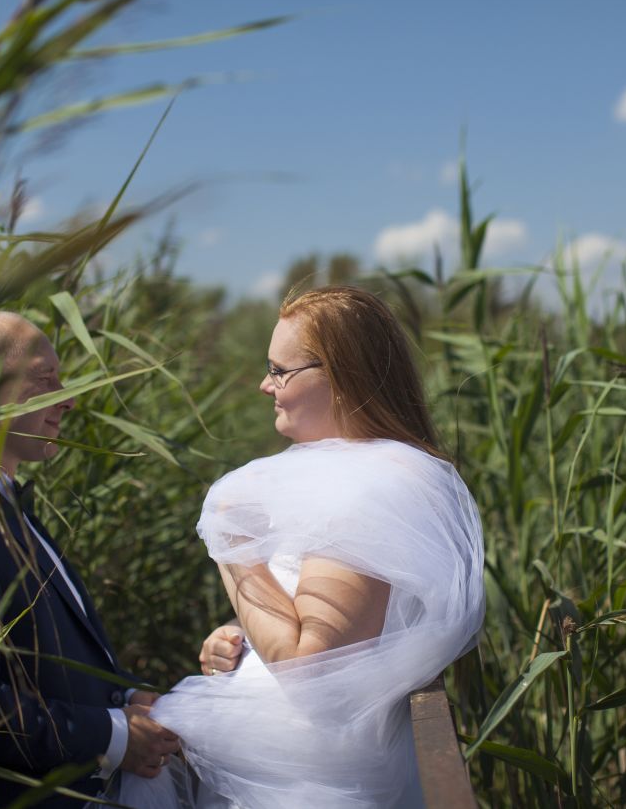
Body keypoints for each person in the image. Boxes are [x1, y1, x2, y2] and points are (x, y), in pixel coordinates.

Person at [145, 286, 485, 808]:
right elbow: (352, 624)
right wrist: (243, 633)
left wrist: (234, 548)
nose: (265, 385)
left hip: (301, 785)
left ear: (339, 375)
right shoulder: (358, 472)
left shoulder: (368, 487)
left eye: (280, 370)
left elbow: (312, 673)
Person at [0, 310, 182, 807]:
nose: (69, 399)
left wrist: (126, 697)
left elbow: (41, 666)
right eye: (44, 380)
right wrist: (113, 736)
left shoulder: (4, 503)